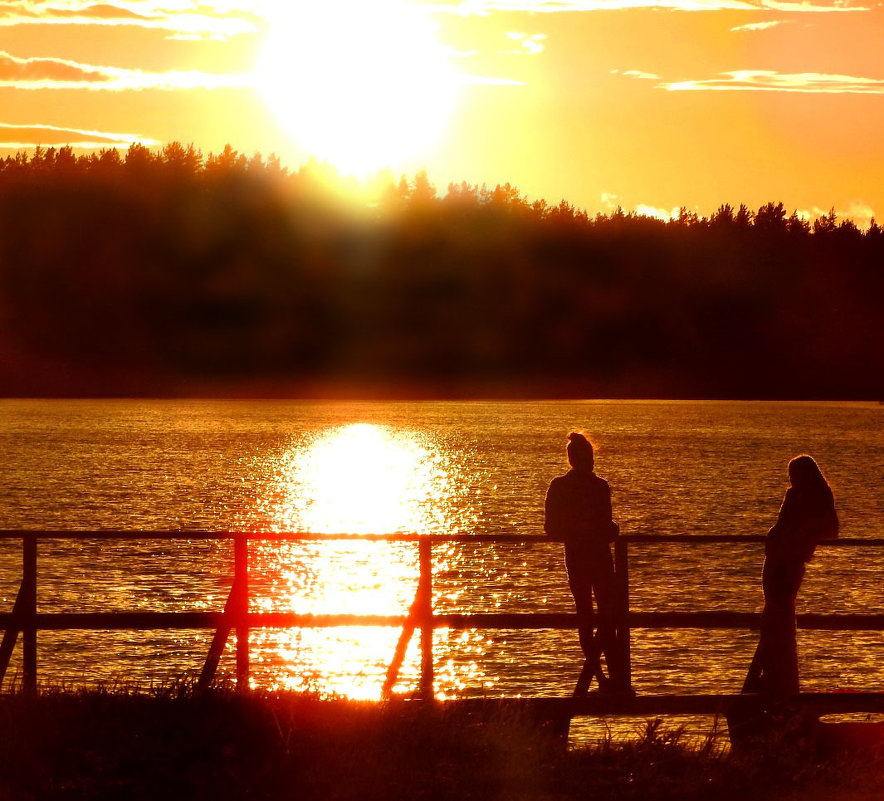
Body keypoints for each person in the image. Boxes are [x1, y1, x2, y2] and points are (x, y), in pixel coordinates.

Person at [747, 455, 839, 699]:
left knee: (780, 614)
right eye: (791, 474)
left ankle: (780, 673)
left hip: (789, 562)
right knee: (772, 614)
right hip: (776, 559)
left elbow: (831, 528)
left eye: (796, 473)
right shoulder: (793, 494)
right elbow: (782, 523)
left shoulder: (818, 495)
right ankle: (772, 669)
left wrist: (802, 536)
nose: (792, 479)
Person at [545, 431, 627, 694]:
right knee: (606, 617)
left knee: (588, 616)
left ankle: (601, 677)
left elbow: (552, 528)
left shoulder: (560, 486)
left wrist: (576, 530)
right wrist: (600, 529)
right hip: (599, 558)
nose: (591, 461)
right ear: (580, 458)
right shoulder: (599, 487)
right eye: (588, 456)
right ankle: (611, 679)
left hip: (579, 557)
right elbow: (607, 526)